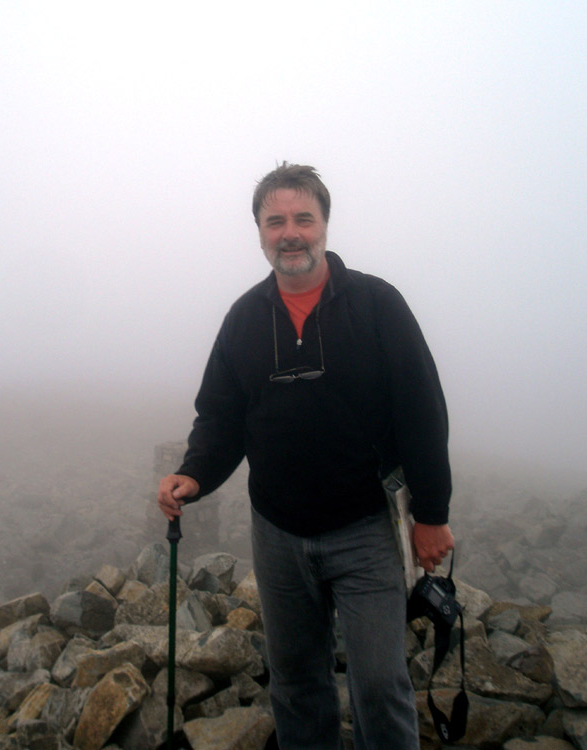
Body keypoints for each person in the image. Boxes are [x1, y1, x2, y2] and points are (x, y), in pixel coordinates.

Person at [157, 162, 453, 750]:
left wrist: (433, 514)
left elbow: (422, 410)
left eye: (302, 219)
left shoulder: (375, 304)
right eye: (275, 222)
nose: (289, 232)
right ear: (260, 233)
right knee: (295, 682)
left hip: (365, 528)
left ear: (324, 226)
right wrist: (193, 473)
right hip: (277, 533)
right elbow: (221, 416)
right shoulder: (245, 318)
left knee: (379, 683)